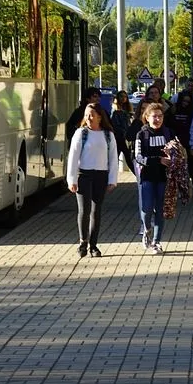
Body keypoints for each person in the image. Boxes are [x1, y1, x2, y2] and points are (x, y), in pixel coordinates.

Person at [66, 103, 119, 258]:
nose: (89, 118)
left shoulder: (108, 135)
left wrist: (112, 180)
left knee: (96, 211)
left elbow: (113, 158)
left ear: (100, 117)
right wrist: (72, 179)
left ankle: (93, 245)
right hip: (84, 175)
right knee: (84, 210)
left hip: (101, 175)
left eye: (92, 115)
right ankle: (83, 242)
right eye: (86, 115)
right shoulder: (81, 133)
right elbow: (73, 157)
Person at [134, 103, 173, 255]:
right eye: (154, 116)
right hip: (147, 176)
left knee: (161, 209)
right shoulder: (142, 134)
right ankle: (146, 229)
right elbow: (138, 157)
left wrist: (174, 158)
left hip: (164, 177)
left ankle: (156, 241)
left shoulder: (168, 133)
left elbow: (176, 152)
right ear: (147, 117)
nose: (157, 119)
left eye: (160, 116)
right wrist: (158, 160)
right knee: (147, 207)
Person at [168, 90, 193, 188]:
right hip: (175, 138)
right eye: (184, 101)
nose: (185, 103)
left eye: (188, 102)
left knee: (192, 158)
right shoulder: (174, 108)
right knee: (177, 161)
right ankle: (179, 181)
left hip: (188, 137)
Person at [110, 90, 134, 172]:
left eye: (125, 96)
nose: (123, 98)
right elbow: (116, 125)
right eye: (121, 96)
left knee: (128, 159)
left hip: (125, 138)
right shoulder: (115, 110)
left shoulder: (127, 109)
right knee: (118, 159)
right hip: (119, 138)